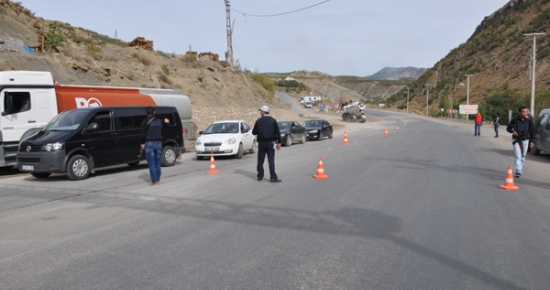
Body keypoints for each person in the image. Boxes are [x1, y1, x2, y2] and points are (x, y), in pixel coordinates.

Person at [252, 105, 282, 182]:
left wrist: (260, 131)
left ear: (263, 112)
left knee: (260, 161)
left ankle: (260, 176)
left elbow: (254, 132)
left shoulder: (258, 121)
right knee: (271, 161)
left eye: (261, 111)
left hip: (261, 143)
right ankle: (273, 177)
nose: (260, 113)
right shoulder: (273, 120)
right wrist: (279, 143)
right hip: (270, 143)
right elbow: (278, 132)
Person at [140, 106, 169, 185]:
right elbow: (167, 126)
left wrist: (142, 143)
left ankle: (154, 181)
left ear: (146, 113)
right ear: (154, 112)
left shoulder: (144, 122)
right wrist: (167, 122)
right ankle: (157, 179)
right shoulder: (160, 121)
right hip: (159, 143)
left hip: (149, 143)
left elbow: (143, 134)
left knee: (151, 163)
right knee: (157, 162)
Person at [506, 106, 534, 178]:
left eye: (526, 112)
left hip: (526, 140)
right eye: (523, 112)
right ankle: (518, 171)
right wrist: (513, 131)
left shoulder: (529, 121)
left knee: (523, 156)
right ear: (520, 112)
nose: (525, 113)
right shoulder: (515, 120)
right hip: (517, 140)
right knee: (518, 156)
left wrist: (532, 141)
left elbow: (532, 132)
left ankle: (520, 168)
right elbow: (508, 128)